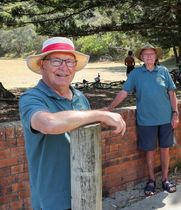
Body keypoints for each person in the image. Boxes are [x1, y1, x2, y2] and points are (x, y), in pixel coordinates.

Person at [19, 37, 126, 210]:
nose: (64, 67)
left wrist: (99, 120)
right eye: (56, 61)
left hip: (85, 192)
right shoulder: (31, 98)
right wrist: (100, 114)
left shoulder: (80, 97)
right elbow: (48, 124)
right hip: (52, 200)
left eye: (69, 61)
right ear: (42, 65)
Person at [107, 43, 178, 196]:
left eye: (151, 54)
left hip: (165, 119)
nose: (149, 57)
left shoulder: (164, 71)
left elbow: (172, 93)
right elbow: (124, 92)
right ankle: (151, 180)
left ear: (156, 56)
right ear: (141, 57)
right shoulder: (135, 74)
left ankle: (165, 179)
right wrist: (109, 108)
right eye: (145, 55)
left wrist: (175, 113)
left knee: (165, 150)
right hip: (146, 120)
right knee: (150, 152)